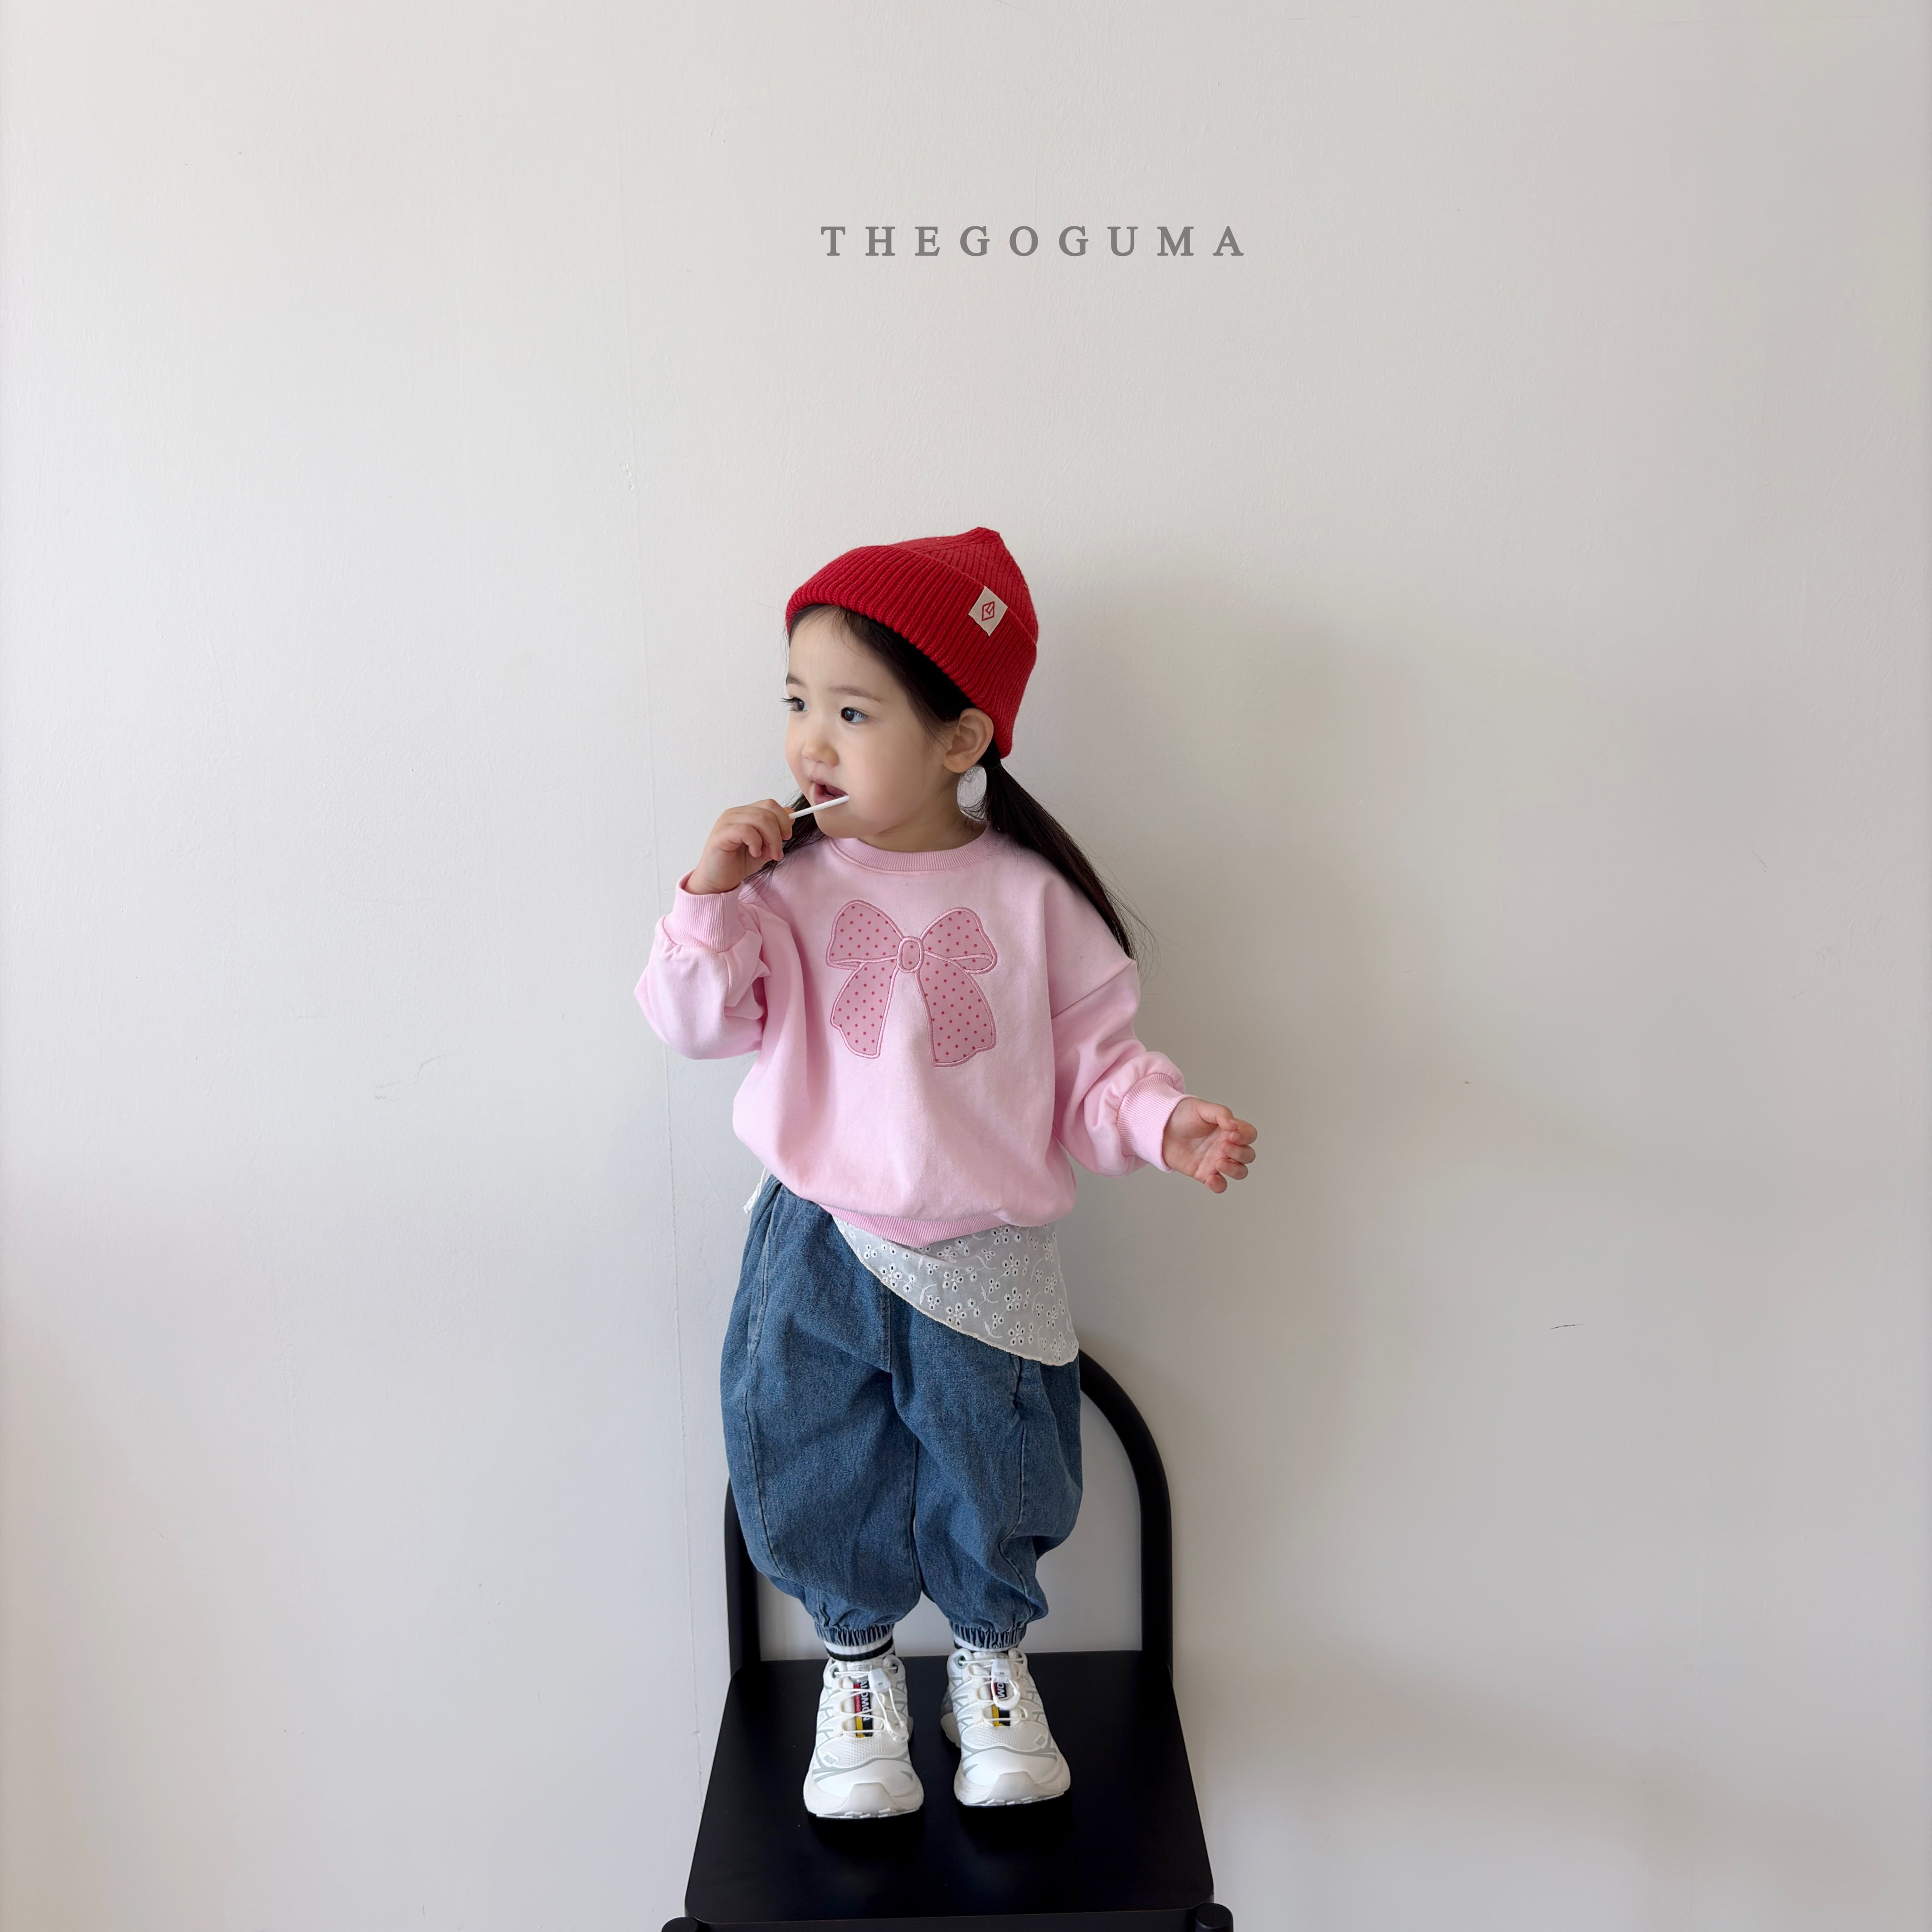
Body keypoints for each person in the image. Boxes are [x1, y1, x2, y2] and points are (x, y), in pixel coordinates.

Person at [635, 526, 1257, 1819]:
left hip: (984, 1246)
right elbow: (693, 1023)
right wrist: (708, 894)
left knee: (999, 1457)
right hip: (816, 1236)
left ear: (962, 738)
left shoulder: (1033, 902)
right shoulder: (782, 890)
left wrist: (1166, 1124)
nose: (810, 742)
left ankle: (989, 1662)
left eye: (852, 712)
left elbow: (1095, 1068)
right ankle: (857, 1675)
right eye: (798, 703)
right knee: (803, 1445)